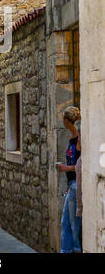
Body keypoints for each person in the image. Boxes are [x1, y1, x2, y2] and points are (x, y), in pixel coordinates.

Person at [56, 106, 82, 253]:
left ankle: (75, 249)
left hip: (76, 186)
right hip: (71, 185)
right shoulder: (72, 138)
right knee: (66, 222)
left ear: (67, 121)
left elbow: (80, 165)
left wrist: (66, 168)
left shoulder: (78, 138)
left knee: (73, 224)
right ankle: (65, 250)